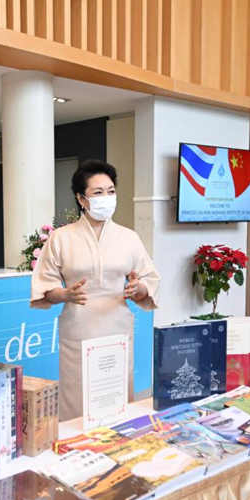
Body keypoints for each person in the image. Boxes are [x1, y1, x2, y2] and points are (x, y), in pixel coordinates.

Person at [30, 160, 160, 420]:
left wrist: (139, 288)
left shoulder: (128, 237)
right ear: (81, 199)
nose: (107, 198)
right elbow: (44, 287)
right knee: (78, 400)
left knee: (118, 398)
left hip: (118, 329)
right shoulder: (61, 238)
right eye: (98, 192)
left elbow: (149, 280)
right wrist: (65, 294)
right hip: (79, 331)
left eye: (111, 191)